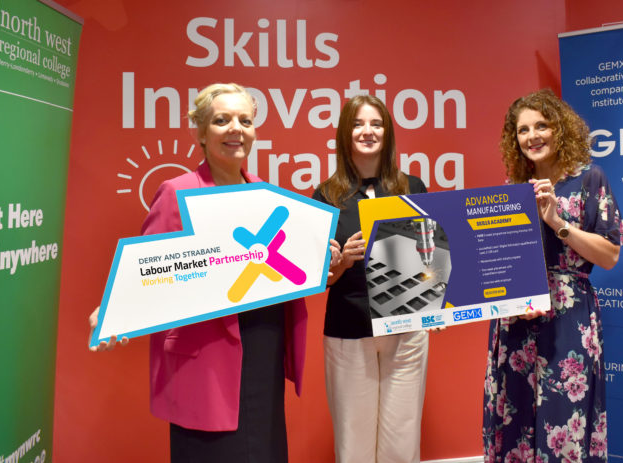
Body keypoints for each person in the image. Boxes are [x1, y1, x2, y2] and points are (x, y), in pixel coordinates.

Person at [88, 83, 309, 463]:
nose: (235, 129)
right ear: (201, 133)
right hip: (206, 356)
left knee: (264, 450)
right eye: (222, 121)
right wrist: (114, 307)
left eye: (245, 120)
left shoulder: (267, 195)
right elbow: (148, 268)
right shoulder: (176, 192)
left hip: (262, 344)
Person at [484, 89, 623, 462]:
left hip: (569, 319)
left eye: (541, 126)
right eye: (523, 130)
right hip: (515, 322)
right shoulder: (510, 192)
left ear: (559, 129)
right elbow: (496, 264)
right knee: (513, 420)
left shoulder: (590, 180)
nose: (532, 136)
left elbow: (610, 255)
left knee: (566, 420)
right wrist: (509, 298)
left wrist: (558, 222)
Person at [312, 94, 429, 463]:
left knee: (402, 442)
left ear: (388, 132)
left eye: (376, 124)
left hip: (406, 331)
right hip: (349, 329)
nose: (368, 131)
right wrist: (343, 262)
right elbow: (318, 279)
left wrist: (437, 304)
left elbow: (432, 260)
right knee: (354, 446)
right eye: (359, 124)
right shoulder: (326, 195)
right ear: (345, 134)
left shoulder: (413, 187)